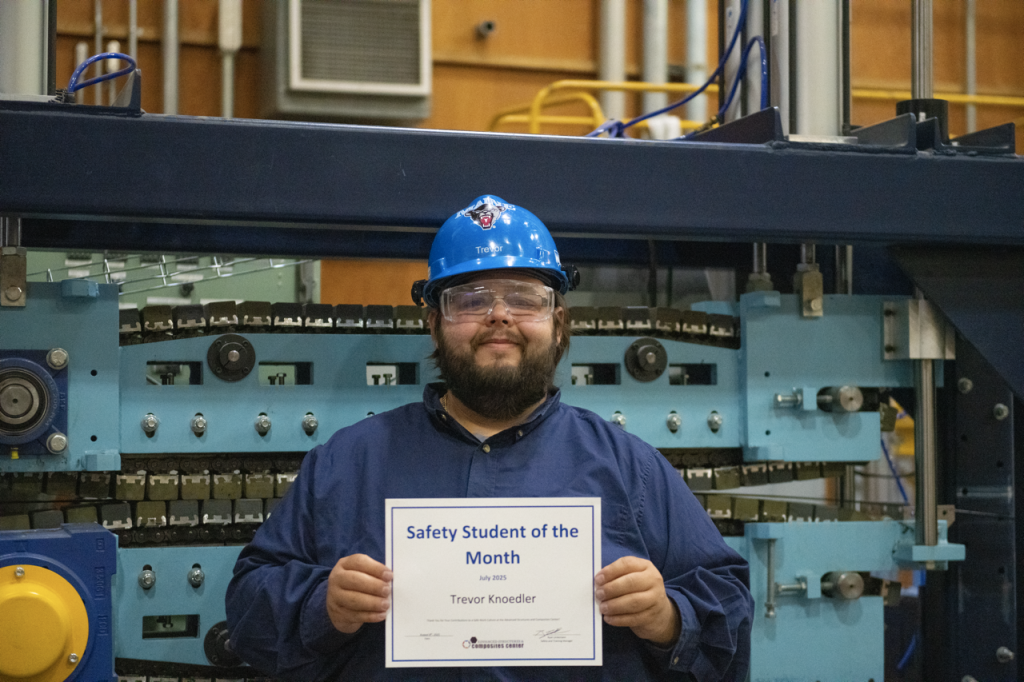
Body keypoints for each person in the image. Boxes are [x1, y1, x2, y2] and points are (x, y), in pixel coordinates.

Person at [226, 195, 753, 681]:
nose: (499, 315)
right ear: (433, 324)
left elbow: (729, 604)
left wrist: (667, 617)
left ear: (559, 323)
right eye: (471, 300)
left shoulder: (630, 468)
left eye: (524, 298)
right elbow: (248, 606)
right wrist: (324, 606)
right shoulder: (348, 461)